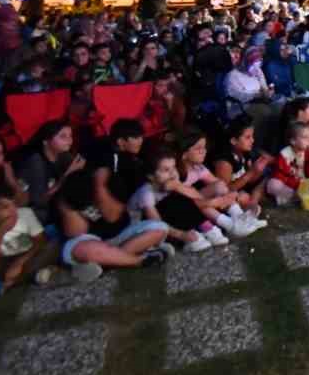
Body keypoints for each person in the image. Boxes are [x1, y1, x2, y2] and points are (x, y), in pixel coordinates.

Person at [57, 119, 171, 281]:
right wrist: (67, 205)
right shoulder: (72, 188)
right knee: (84, 249)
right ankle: (138, 260)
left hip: (119, 235)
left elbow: (113, 217)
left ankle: (109, 260)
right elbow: (76, 232)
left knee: (159, 228)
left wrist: (100, 189)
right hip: (91, 240)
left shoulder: (112, 179)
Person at [129, 148, 229, 254]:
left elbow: (198, 199)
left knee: (183, 198)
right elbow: (157, 224)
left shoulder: (172, 183)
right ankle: (186, 239)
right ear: (151, 176)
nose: (172, 173)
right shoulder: (146, 193)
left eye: (174, 167)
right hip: (142, 232)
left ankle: (207, 229)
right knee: (172, 202)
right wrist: (181, 235)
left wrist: (179, 187)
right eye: (166, 170)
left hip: (166, 225)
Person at [0, 183, 56, 299]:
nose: (13, 211)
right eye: (5, 207)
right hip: (3, 263)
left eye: (14, 204)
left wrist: (19, 263)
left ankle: (7, 286)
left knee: (52, 246)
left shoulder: (25, 213)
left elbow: (41, 241)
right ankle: (32, 276)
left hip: (28, 257)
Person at [15, 120, 83, 228]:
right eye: (63, 136)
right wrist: (67, 175)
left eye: (70, 136)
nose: (69, 140)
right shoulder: (36, 162)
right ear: (46, 141)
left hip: (57, 210)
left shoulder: (64, 156)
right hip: (37, 216)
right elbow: (39, 200)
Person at [268, 121, 309, 206]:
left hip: (305, 183)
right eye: (305, 137)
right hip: (289, 184)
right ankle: (297, 198)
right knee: (273, 184)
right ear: (293, 141)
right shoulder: (284, 154)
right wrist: (297, 184)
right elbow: (281, 176)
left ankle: (297, 198)